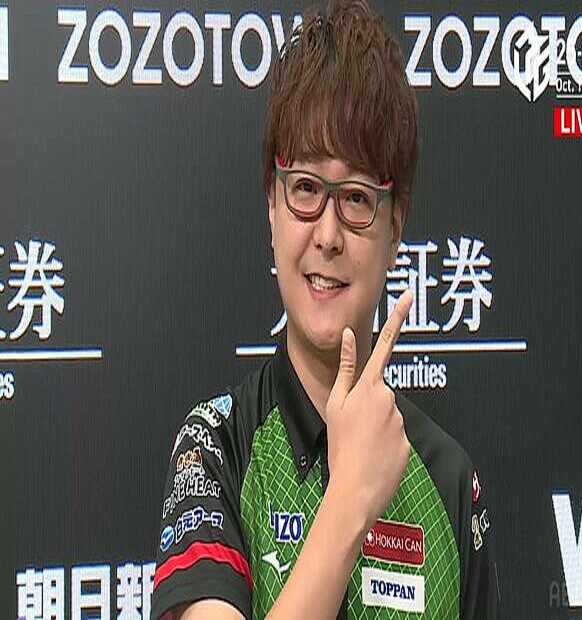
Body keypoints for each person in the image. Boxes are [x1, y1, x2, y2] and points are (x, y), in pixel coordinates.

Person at [150, 1, 500, 618]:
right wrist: (350, 502)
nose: (329, 235)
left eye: (357, 198)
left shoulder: (447, 478)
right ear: (272, 203)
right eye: (307, 188)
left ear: (396, 226)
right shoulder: (216, 446)